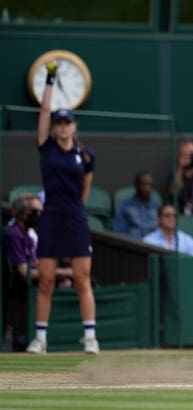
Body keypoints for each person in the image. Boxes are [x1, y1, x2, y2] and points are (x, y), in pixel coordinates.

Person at [27, 61, 100, 355]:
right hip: (51, 219)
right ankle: (40, 339)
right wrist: (50, 79)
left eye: (66, 122)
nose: (62, 126)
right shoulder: (47, 148)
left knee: (82, 279)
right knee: (45, 280)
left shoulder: (86, 155)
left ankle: (91, 337)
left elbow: (85, 188)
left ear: (74, 125)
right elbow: (44, 111)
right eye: (58, 123)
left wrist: (77, 212)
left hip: (74, 219)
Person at [4, 193, 74, 288]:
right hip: (26, 285)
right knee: (68, 283)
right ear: (19, 212)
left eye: (41, 212)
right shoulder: (14, 234)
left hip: (40, 276)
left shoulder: (31, 233)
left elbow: (37, 262)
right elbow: (25, 272)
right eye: (34, 212)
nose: (38, 215)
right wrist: (63, 272)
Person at [112, 171, 160, 240]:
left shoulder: (157, 207)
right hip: (133, 246)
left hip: (154, 246)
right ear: (136, 185)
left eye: (150, 185)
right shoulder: (124, 206)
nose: (147, 189)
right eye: (144, 185)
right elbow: (119, 232)